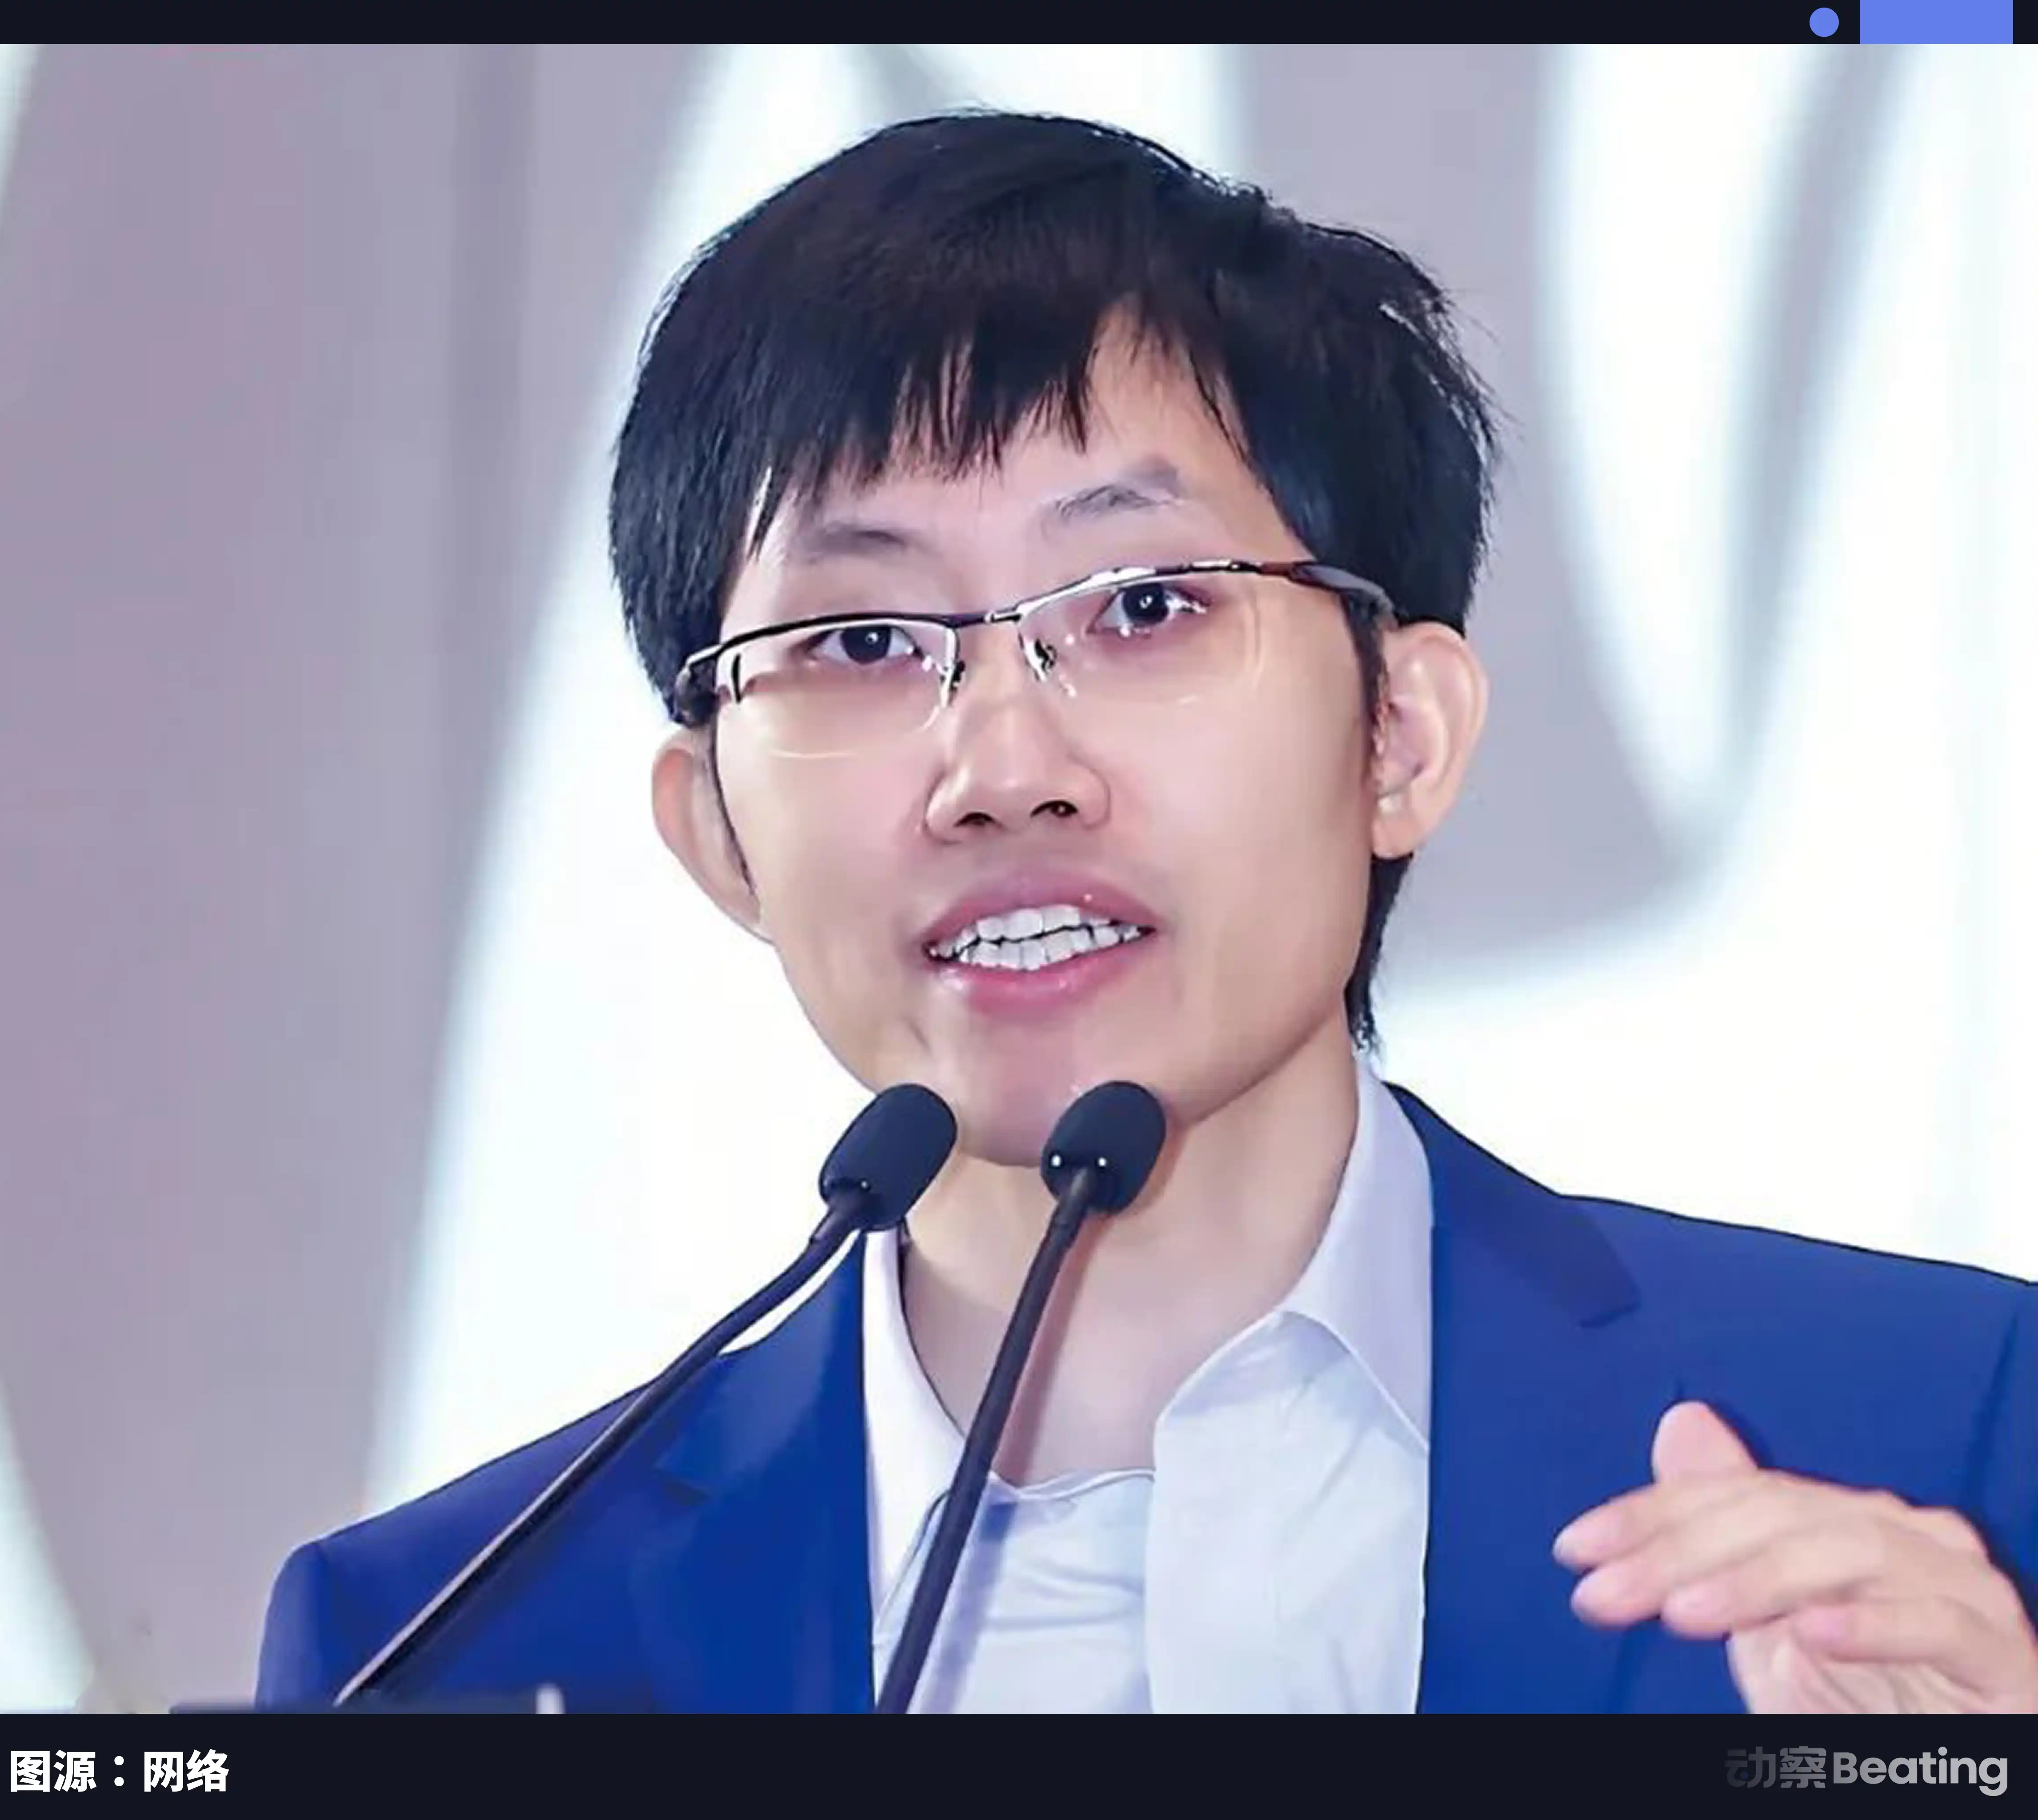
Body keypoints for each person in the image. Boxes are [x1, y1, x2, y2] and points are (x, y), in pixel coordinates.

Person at [254, 111, 2037, 1714]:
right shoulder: (437, 1649)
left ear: (1400, 736)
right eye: (862, 639)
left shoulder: (1944, 1440)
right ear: (714, 828)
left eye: (1142, 606)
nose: (1002, 767)